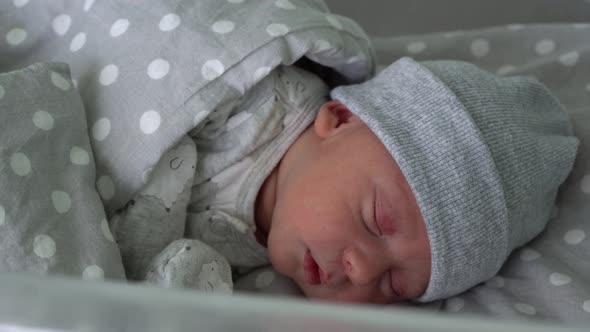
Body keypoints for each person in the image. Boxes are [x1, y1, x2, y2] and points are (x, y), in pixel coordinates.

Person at [114, 57, 579, 304]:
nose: (362, 272)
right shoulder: (262, 101)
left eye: (394, 286)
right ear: (338, 121)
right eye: (376, 220)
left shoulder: (259, 261)